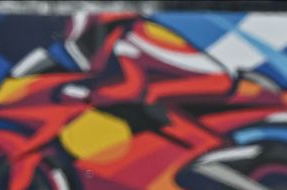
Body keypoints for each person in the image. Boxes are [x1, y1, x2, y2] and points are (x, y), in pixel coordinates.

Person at [62, 12, 235, 140]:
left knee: (151, 96)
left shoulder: (126, 40)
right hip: (199, 77)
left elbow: (133, 88)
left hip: (214, 80)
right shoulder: (128, 35)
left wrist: (90, 95)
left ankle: (207, 143)